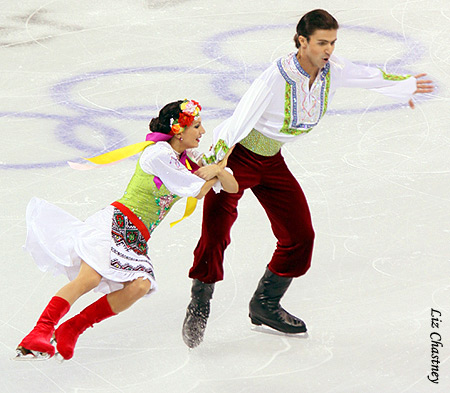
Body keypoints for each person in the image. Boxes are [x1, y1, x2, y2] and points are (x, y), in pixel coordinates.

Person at [181, 9, 435, 348]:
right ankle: (200, 302)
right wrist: (218, 163)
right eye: (321, 42)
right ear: (302, 41)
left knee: (300, 235)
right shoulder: (277, 77)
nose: (328, 49)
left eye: (332, 42)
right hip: (238, 158)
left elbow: (366, 76)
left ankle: (265, 303)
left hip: (271, 161)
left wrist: (404, 88)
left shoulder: (331, 70)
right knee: (215, 231)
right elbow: (240, 119)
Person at [15, 99, 238, 361]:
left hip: (136, 236)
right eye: (197, 126)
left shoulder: (188, 158)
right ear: (178, 130)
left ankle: (72, 328)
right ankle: (39, 332)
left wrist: (218, 171)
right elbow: (199, 190)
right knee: (89, 279)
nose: (202, 132)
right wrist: (216, 171)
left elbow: (232, 186)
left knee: (139, 286)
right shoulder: (159, 154)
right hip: (116, 223)